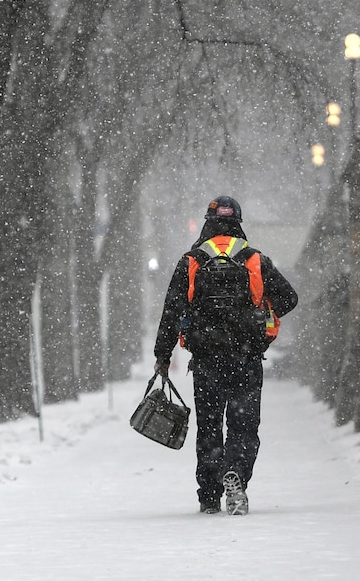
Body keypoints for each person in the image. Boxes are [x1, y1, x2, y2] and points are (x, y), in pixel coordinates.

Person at [153, 196, 298, 516]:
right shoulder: (255, 260)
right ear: (238, 225)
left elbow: (171, 312)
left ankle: (208, 495)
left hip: (206, 361)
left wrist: (162, 356)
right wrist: (258, 313)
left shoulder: (191, 261)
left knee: (209, 428)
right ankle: (236, 475)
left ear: (207, 223)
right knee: (244, 426)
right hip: (246, 359)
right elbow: (289, 298)